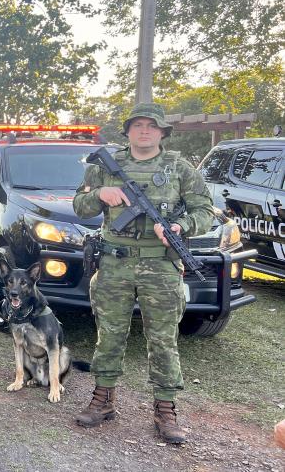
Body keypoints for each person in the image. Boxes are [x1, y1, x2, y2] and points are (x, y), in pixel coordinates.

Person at [72, 102, 213, 444]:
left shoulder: (179, 167)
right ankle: (103, 399)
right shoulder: (107, 166)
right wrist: (100, 195)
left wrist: (181, 225)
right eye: (138, 125)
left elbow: (205, 211)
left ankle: (165, 409)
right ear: (129, 130)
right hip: (114, 264)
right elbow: (79, 205)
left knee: (163, 339)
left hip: (162, 266)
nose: (145, 130)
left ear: (163, 132)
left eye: (152, 125)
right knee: (110, 333)